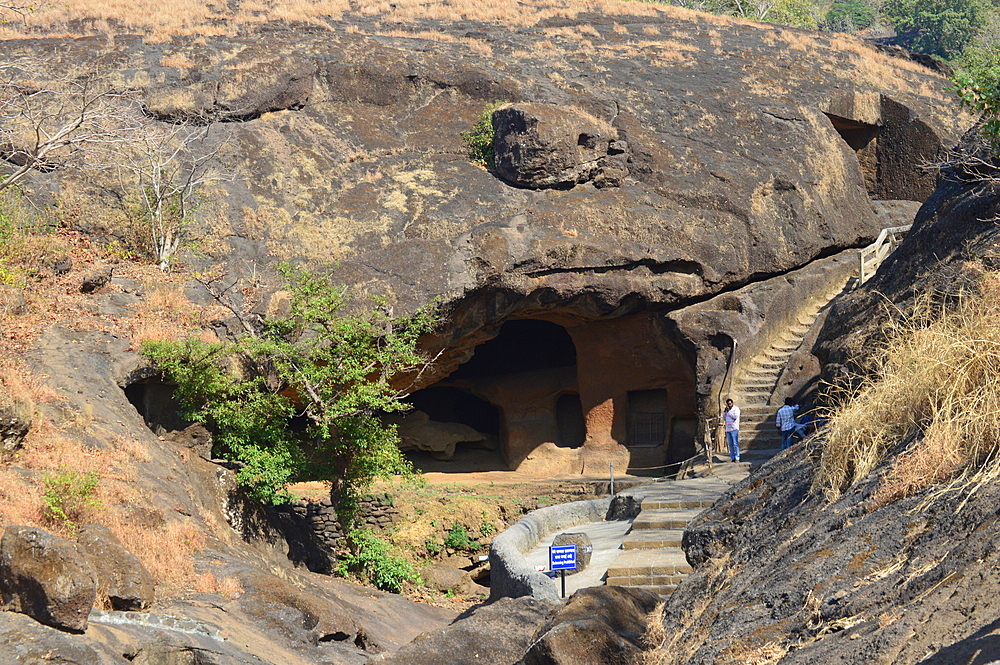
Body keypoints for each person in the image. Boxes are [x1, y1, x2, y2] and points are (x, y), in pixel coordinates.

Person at [723, 398, 740, 462]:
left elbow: (735, 417)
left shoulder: (736, 409)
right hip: (728, 429)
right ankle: (732, 457)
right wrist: (725, 412)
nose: (729, 405)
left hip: (734, 428)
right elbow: (724, 418)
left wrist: (729, 412)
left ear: (732, 403)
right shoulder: (727, 411)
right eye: (728, 404)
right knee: (730, 444)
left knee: (735, 443)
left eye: (730, 404)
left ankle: (737, 457)